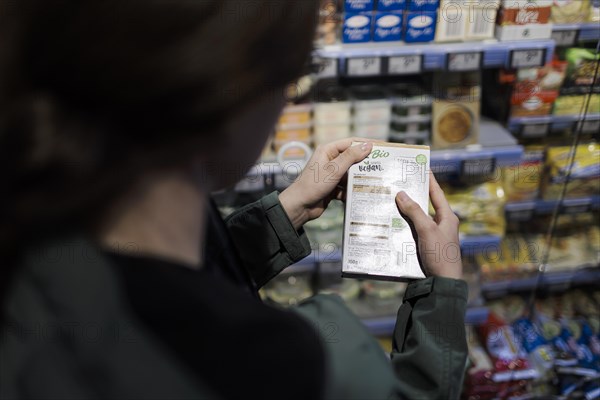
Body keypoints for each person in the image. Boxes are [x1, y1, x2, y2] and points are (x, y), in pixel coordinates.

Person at [0, 1, 468, 399]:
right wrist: (442, 286)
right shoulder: (299, 365)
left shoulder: (35, 234)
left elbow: (174, 278)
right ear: (230, 98)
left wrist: (290, 211)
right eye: (290, 79)